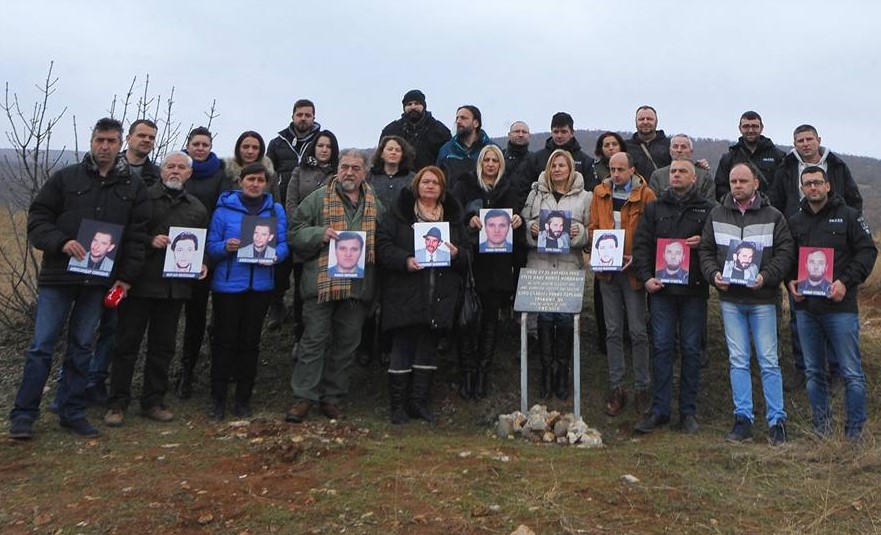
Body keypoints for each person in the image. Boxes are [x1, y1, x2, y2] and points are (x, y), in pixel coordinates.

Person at [8, 117, 150, 440]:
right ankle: (24, 415)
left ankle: (71, 411)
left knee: (82, 347)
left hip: (98, 282)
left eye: (111, 141)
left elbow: (137, 236)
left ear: (121, 144)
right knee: (42, 346)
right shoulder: (65, 178)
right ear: (91, 141)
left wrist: (126, 278)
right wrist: (60, 242)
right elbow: (38, 219)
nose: (105, 146)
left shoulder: (133, 187)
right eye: (100, 140)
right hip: (59, 277)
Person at [103, 152, 209, 427]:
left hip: (174, 289)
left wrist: (203, 264)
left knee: (163, 348)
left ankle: (153, 401)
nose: (175, 171)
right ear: (161, 171)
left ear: (189, 174)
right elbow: (126, 235)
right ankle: (117, 403)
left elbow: (204, 246)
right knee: (126, 345)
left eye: (181, 167)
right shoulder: (144, 198)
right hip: (140, 283)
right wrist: (151, 241)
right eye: (170, 166)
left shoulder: (197, 208)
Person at [698, 163, 794, 445]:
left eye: (743, 181)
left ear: (756, 184)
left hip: (763, 299)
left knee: (769, 361)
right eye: (733, 181)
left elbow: (786, 253)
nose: (737, 185)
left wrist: (766, 276)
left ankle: (777, 422)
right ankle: (743, 420)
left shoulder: (773, 216)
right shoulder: (717, 214)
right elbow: (706, 250)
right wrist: (713, 275)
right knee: (738, 360)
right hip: (730, 300)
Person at [285, 150, 382, 423]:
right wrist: (319, 234)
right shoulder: (317, 199)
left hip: (358, 287)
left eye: (355, 168)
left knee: (346, 344)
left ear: (365, 173)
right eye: (344, 166)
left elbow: (384, 239)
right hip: (321, 284)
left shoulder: (375, 204)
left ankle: (331, 398)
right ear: (338, 169)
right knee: (313, 341)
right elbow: (294, 232)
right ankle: (304, 397)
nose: (349, 172)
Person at [786, 166, 877, 441]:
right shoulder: (795, 221)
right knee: (814, 373)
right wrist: (789, 281)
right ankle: (821, 430)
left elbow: (867, 252)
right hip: (806, 310)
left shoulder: (849, 216)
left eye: (817, 182)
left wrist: (846, 282)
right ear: (802, 188)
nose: (812, 187)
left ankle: (854, 433)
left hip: (840, 309)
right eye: (807, 184)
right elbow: (788, 257)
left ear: (828, 186)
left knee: (851, 373)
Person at [377, 166, 467, 424]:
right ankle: (397, 406)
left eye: (435, 183)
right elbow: (382, 245)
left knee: (428, 348)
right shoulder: (399, 214)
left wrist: (457, 254)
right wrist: (405, 260)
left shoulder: (453, 217)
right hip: (405, 291)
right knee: (402, 346)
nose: (430, 186)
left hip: (440, 292)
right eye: (425, 181)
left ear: (442, 189)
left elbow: (468, 252)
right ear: (416, 185)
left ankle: (419, 402)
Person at [632, 159, 715, 434]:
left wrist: (704, 241)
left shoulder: (708, 209)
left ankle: (688, 412)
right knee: (662, 348)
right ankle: (659, 410)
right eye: (673, 171)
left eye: (682, 172)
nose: (676, 175)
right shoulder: (655, 208)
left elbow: (718, 248)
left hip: (694, 291)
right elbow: (642, 245)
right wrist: (646, 277)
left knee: (691, 350)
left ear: (694, 178)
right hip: (662, 291)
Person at [206, 163, 288, 421]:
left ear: (267, 183)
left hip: (260, 286)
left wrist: (275, 256)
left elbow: (284, 244)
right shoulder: (223, 209)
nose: (255, 184)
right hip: (228, 285)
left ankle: (243, 399)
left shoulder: (275, 210)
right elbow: (210, 246)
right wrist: (225, 246)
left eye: (260, 180)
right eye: (250, 179)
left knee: (250, 343)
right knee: (224, 342)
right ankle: (218, 399)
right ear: (240, 181)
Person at [451, 144, 523, 399]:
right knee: (466, 321)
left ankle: (483, 372)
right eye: (487, 160)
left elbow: (517, 221)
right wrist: (467, 219)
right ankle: (467, 373)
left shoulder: (509, 188)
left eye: (495, 160)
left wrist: (519, 220)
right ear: (480, 162)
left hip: (498, 266)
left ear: (501, 164)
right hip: (470, 263)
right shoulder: (465, 185)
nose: (491, 164)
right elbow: (452, 213)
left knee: (490, 321)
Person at [589, 151, 657, 417]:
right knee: (613, 330)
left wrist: (637, 258)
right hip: (607, 273)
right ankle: (617, 387)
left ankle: (642, 387)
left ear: (632, 170)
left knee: (638, 331)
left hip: (633, 272)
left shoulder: (646, 195)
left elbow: (651, 233)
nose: (615, 174)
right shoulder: (600, 193)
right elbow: (593, 227)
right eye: (612, 169)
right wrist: (597, 251)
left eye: (620, 169)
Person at [523, 149, 591, 400]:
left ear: (571, 168)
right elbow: (523, 223)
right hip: (540, 265)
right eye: (553, 165)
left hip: (568, 266)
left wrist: (579, 232)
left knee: (564, 318)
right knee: (544, 318)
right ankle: (546, 372)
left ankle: (562, 372)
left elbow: (591, 232)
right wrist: (531, 228)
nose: (557, 169)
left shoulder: (585, 197)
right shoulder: (535, 193)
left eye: (562, 165)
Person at [176, 126, 232, 399]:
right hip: (175, 250)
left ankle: (189, 370)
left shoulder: (220, 175)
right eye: (196, 144)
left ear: (210, 147)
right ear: (188, 145)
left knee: (197, 314)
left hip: (206, 251)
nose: (200, 148)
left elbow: (222, 214)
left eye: (205, 145)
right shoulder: (177, 169)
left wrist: (209, 253)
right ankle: (173, 369)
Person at [267, 99, 322, 328]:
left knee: (303, 263)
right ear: (292, 116)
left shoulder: (321, 141)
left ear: (314, 117)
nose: (303, 119)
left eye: (308, 115)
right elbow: (269, 173)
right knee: (279, 262)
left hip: (311, 211)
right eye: (300, 114)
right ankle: (276, 303)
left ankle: (303, 309)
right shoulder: (277, 143)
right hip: (281, 207)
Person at [285, 130, 341, 339]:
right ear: (313, 148)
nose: (324, 150)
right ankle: (300, 335)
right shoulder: (299, 171)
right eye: (320, 145)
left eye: (328, 146)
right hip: (304, 239)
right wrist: (301, 229)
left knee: (329, 291)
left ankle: (327, 337)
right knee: (302, 290)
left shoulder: (338, 174)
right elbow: (291, 203)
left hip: (330, 239)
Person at [514, 112, 597, 207]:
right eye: (556, 132)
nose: (559, 135)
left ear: (572, 133)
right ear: (551, 132)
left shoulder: (586, 161)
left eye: (563, 132)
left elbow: (591, 191)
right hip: (541, 210)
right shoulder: (536, 159)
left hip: (576, 211)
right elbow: (523, 189)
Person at [714, 111, 786, 201]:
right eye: (746, 126)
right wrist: (735, 203)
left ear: (761, 128)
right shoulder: (728, 158)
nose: (750, 130)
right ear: (740, 128)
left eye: (754, 126)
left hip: (770, 207)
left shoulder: (778, 156)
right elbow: (720, 188)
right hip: (737, 208)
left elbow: (783, 187)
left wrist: (765, 204)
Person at [379, 89, 451, 172]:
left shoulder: (440, 130)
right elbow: (380, 157)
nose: (413, 107)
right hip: (399, 177)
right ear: (404, 108)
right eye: (409, 104)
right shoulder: (391, 130)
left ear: (424, 106)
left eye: (417, 103)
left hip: (429, 177)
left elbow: (448, 160)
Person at [436, 105, 494, 187]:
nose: (458, 121)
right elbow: (438, 179)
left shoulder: (491, 150)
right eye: (457, 118)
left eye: (463, 118)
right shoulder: (446, 150)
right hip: (453, 194)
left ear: (476, 123)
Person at [648, 134, 714, 200]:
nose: (679, 150)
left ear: (691, 152)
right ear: (670, 151)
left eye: (683, 147)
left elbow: (710, 202)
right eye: (675, 146)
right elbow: (653, 202)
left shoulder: (704, 176)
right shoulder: (658, 175)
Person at [224, 130, 279, 200]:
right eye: (245, 147)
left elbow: (276, 202)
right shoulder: (226, 174)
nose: (250, 151)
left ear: (261, 151)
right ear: (238, 149)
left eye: (255, 148)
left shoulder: (271, 176)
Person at [626, 105, 671, 181]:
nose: (645, 122)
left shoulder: (670, 145)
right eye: (641, 119)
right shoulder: (625, 147)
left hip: (661, 188)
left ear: (656, 122)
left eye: (649, 119)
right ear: (635, 122)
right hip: (635, 188)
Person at [368, 135, 415, 208]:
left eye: (398, 150)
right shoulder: (369, 176)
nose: (393, 152)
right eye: (390, 149)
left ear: (403, 155)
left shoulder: (412, 178)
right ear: (381, 154)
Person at [124, 119, 161, 186]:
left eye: (151, 138)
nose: (147, 140)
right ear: (128, 138)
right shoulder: (108, 167)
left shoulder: (160, 177)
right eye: (141, 135)